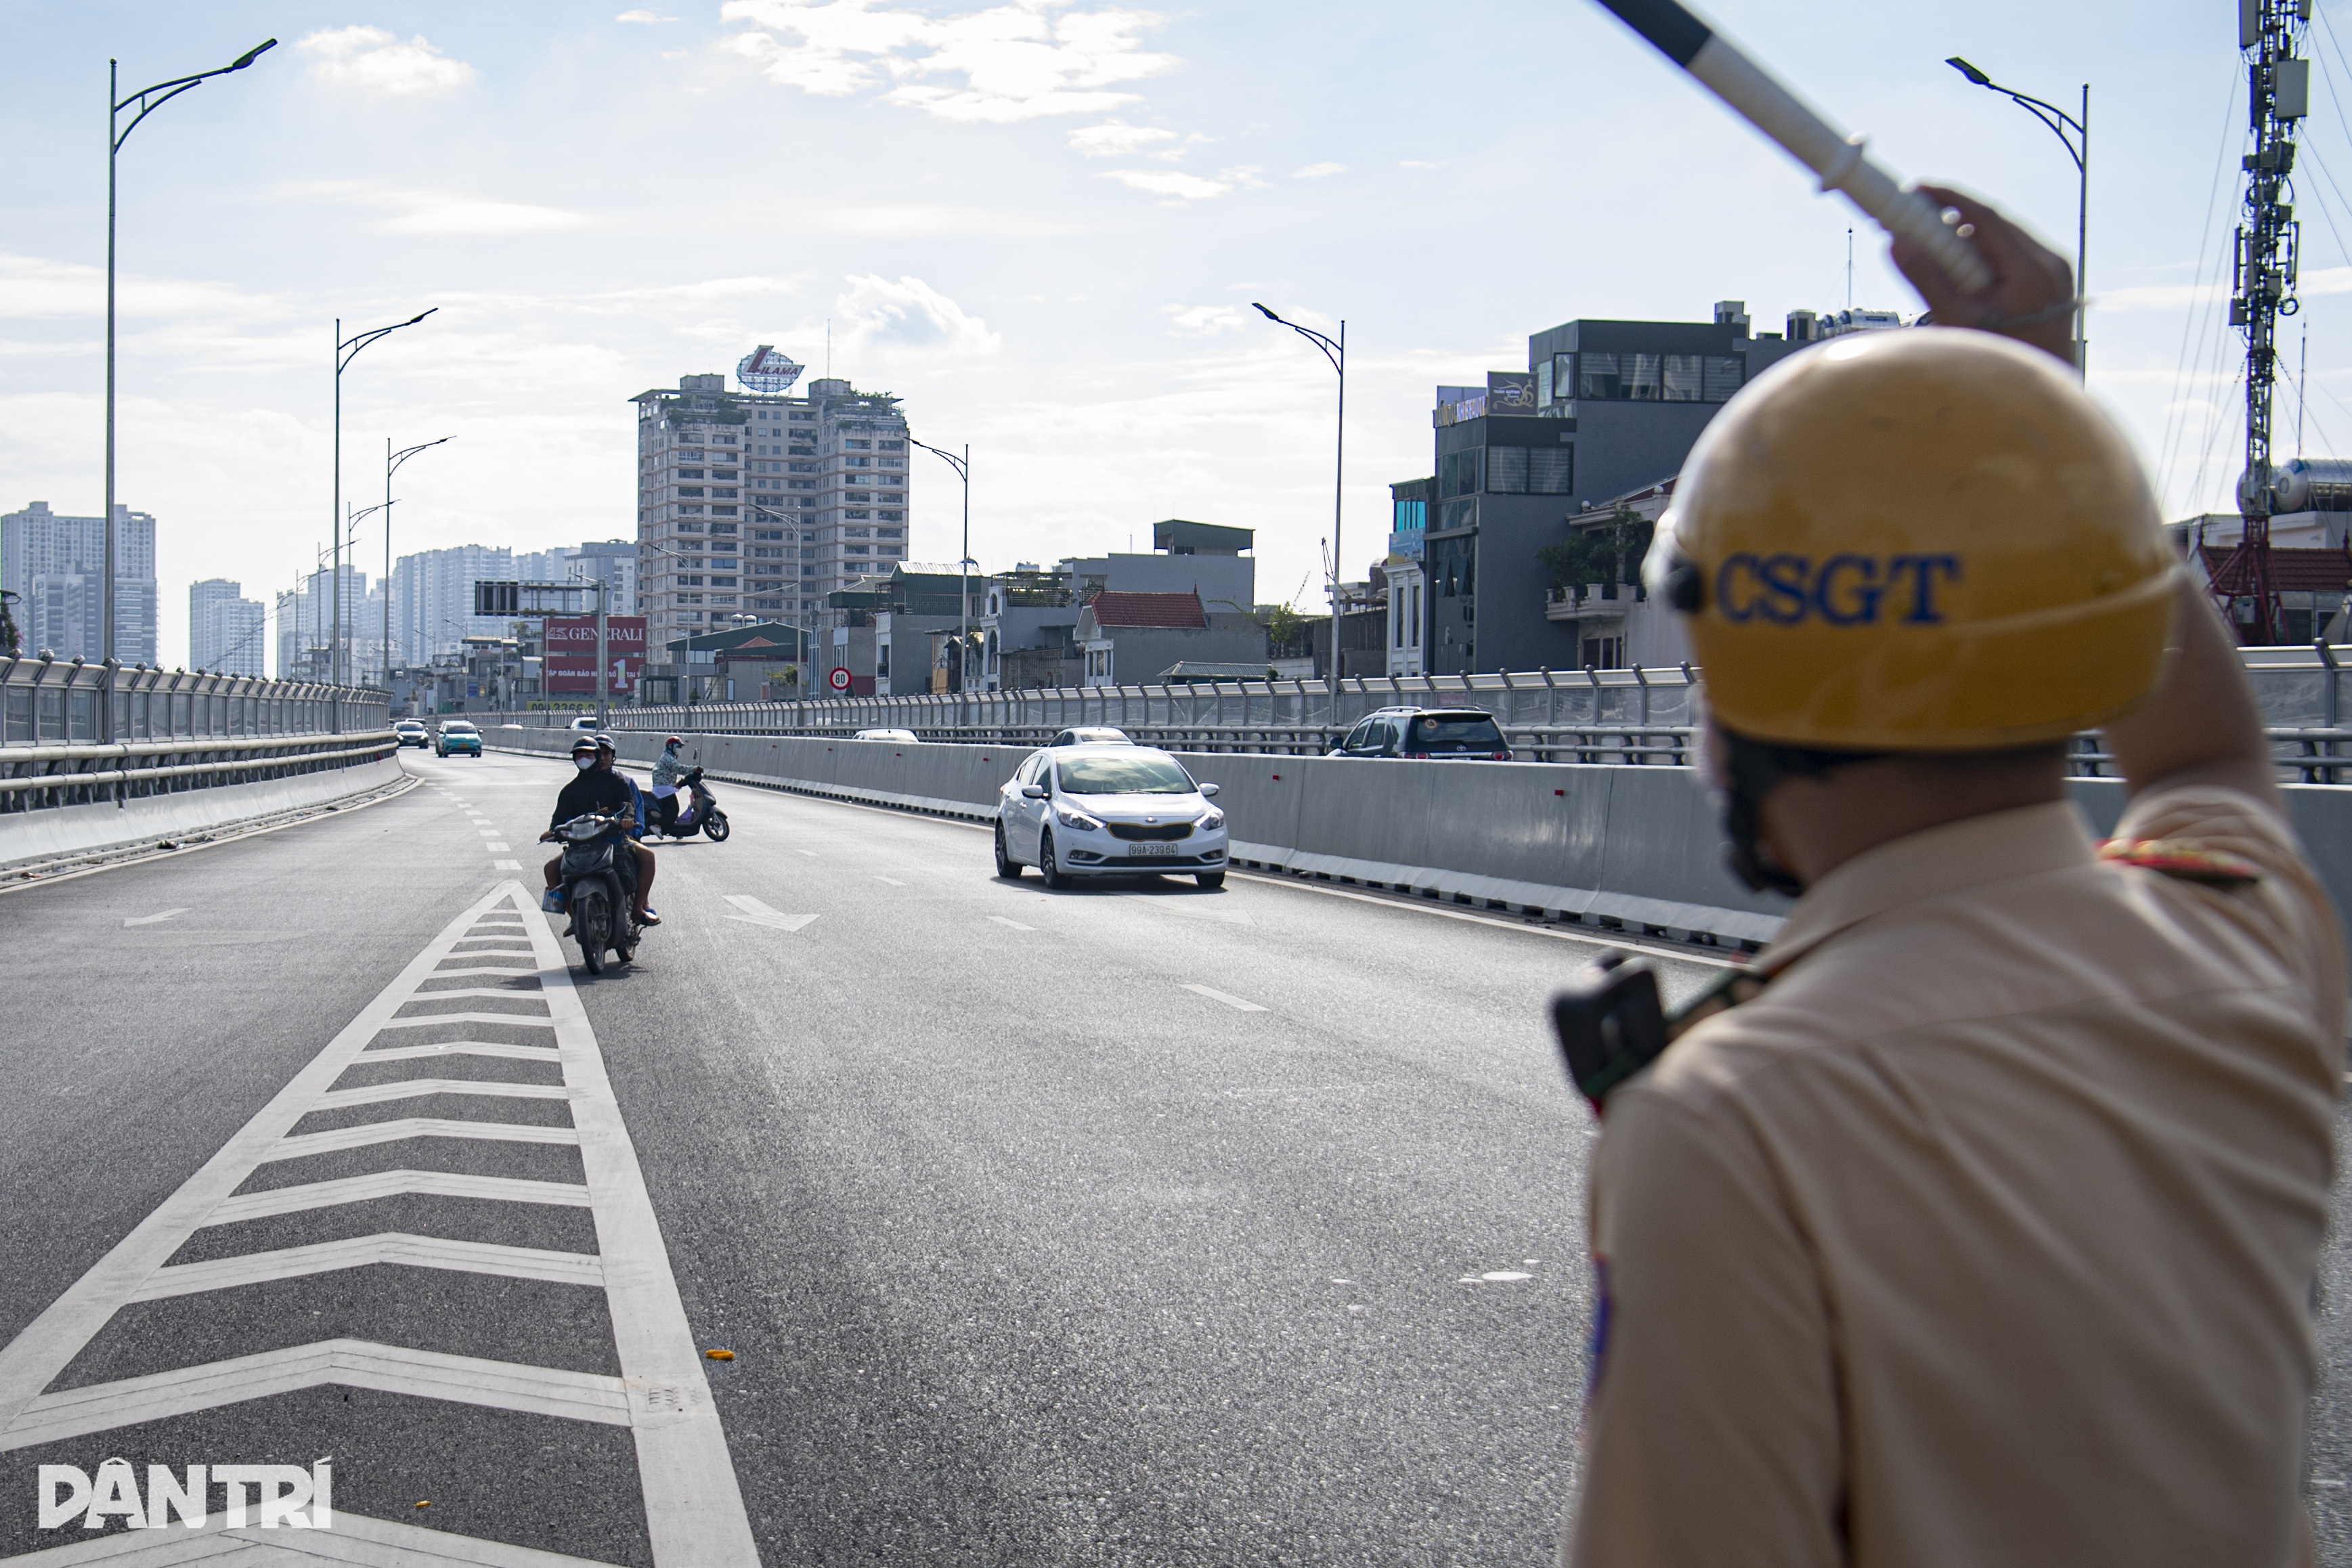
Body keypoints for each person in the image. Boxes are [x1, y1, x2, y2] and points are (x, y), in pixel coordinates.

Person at [1565, 192, 2344, 1567]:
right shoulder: (2237, 937)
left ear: (1746, 669)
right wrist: (2038, 422)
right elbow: (2212, 758)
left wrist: (2030, 414)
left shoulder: (1734, 1125)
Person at [541, 735, 659, 928]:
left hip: (614, 840)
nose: (586, 760)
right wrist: (552, 831)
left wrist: (627, 821)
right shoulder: (570, 789)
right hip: (580, 845)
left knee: (647, 857)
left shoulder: (618, 781)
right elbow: (559, 817)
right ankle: (575, 918)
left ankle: (639, 908)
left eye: (591, 755)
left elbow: (628, 804)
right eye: (580, 756)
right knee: (551, 869)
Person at [650, 735, 687, 835]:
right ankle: (658, 827)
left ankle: (674, 830)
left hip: (665, 787)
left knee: (672, 808)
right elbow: (679, 769)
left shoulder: (669, 756)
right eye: (678, 747)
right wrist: (694, 769)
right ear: (671, 747)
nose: (679, 750)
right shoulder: (667, 758)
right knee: (674, 808)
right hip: (663, 788)